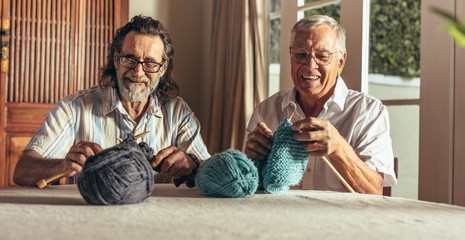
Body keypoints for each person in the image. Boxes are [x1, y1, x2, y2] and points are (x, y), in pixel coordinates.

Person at [13, 15, 210, 186]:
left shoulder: (178, 112)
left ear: (163, 68)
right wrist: (61, 165)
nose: (138, 72)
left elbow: (211, 173)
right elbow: (22, 171)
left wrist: (193, 166)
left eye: (149, 62)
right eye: (130, 59)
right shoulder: (74, 108)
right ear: (116, 60)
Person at [243, 15, 396, 195]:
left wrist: (339, 149)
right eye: (300, 55)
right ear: (291, 57)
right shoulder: (266, 110)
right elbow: (245, 186)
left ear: (340, 62)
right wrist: (249, 160)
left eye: (322, 56)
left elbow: (374, 192)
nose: (309, 66)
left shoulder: (369, 112)